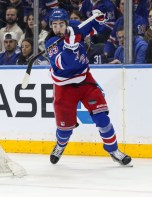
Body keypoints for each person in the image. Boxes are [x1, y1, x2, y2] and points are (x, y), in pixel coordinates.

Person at [45, 8, 132, 166]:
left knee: (102, 119)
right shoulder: (51, 43)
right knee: (65, 130)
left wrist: (98, 19)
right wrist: (70, 43)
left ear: (66, 23)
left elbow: (99, 30)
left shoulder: (75, 27)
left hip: (85, 81)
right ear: (51, 26)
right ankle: (60, 145)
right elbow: (65, 64)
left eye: (61, 24)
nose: (58, 28)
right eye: (55, 25)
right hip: (64, 88)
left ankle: (113, 150)